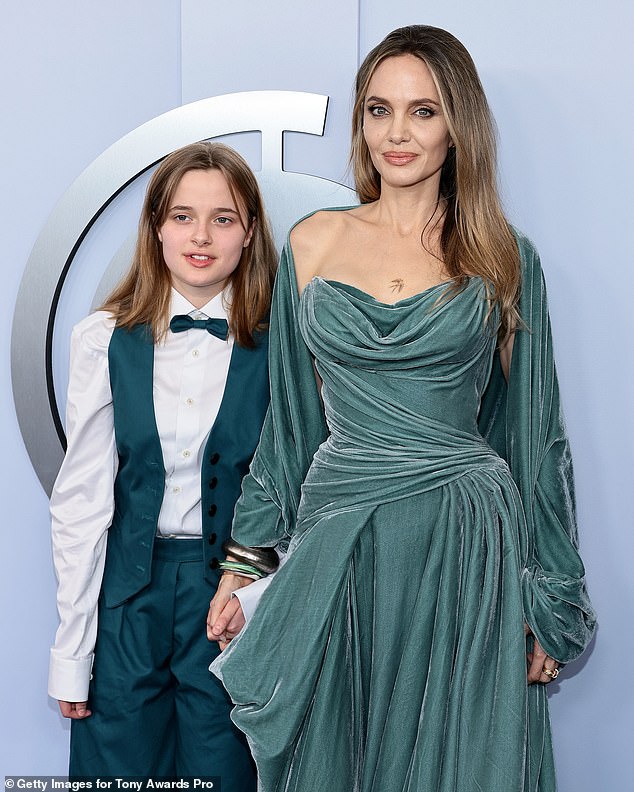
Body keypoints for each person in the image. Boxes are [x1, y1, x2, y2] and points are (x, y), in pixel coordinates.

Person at [207, 25, 596, 792]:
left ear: (458, 128)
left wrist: (547, 596)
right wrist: (245, 562)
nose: (397, 132)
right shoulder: (312, 243)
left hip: (463, 541)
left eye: (423, 111)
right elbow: (288, 426)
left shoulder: (503, 255)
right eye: (379, 110)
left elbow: (537, 436)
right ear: (360, 122)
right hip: (341, 541)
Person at [48, 141, 276, 785]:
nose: (200, 236)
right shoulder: (102, 338)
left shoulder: (283, 344)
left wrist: (251, 592)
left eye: (223, 218)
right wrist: (72, 652)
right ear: (155, 227)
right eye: (181, 215)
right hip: (126, 600)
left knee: (224, 772)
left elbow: (289, 490)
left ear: (249, 231)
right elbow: (83, 499)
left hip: (228, 603)